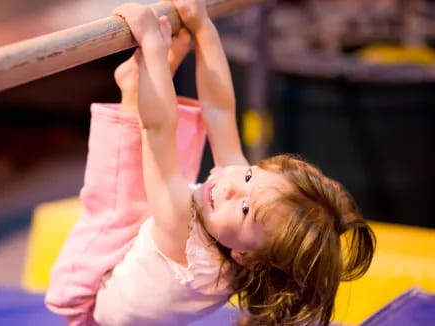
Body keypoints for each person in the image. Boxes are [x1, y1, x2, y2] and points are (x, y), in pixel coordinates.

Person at [46, 1, 376, 325]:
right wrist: (204, 27)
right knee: (182, 176)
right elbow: (219, 110)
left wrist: (152, 45)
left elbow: (158, 129)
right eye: (249, 176)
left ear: (245, 257)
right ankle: (139, 86)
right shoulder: (247, 237)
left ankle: (137, 90)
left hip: (87, 299)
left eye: (246, 210)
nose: (233, 189)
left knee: (125, 202)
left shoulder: (180, 232)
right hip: (144, 278)